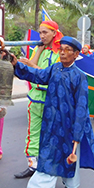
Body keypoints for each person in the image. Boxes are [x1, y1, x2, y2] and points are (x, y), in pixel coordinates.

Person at [9, 36, 94, 188]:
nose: (62, 53)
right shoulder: (54, 69)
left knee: (68, 154)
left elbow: (81, 106)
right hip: (50, 121)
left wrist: (77, 133)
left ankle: (71, 184)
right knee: (48, 152)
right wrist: (17, 65)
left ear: (76, 54)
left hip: (69, 124)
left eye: (67, 50)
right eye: (61, 49)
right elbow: (38, 75)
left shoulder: (79, 76)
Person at [14, 20, 62, 179]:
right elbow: (31, 67)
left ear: (54, 33)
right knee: (32, 134)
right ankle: (33, 166)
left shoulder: (60, 52)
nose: (41, 36)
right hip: (35, 97)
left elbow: (51, 75)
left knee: (50, 134)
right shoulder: (39, 48)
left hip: (51, 99)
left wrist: (29, 64)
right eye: (40, 33)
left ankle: (49, 168)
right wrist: (38, 52)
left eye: (45, 32)